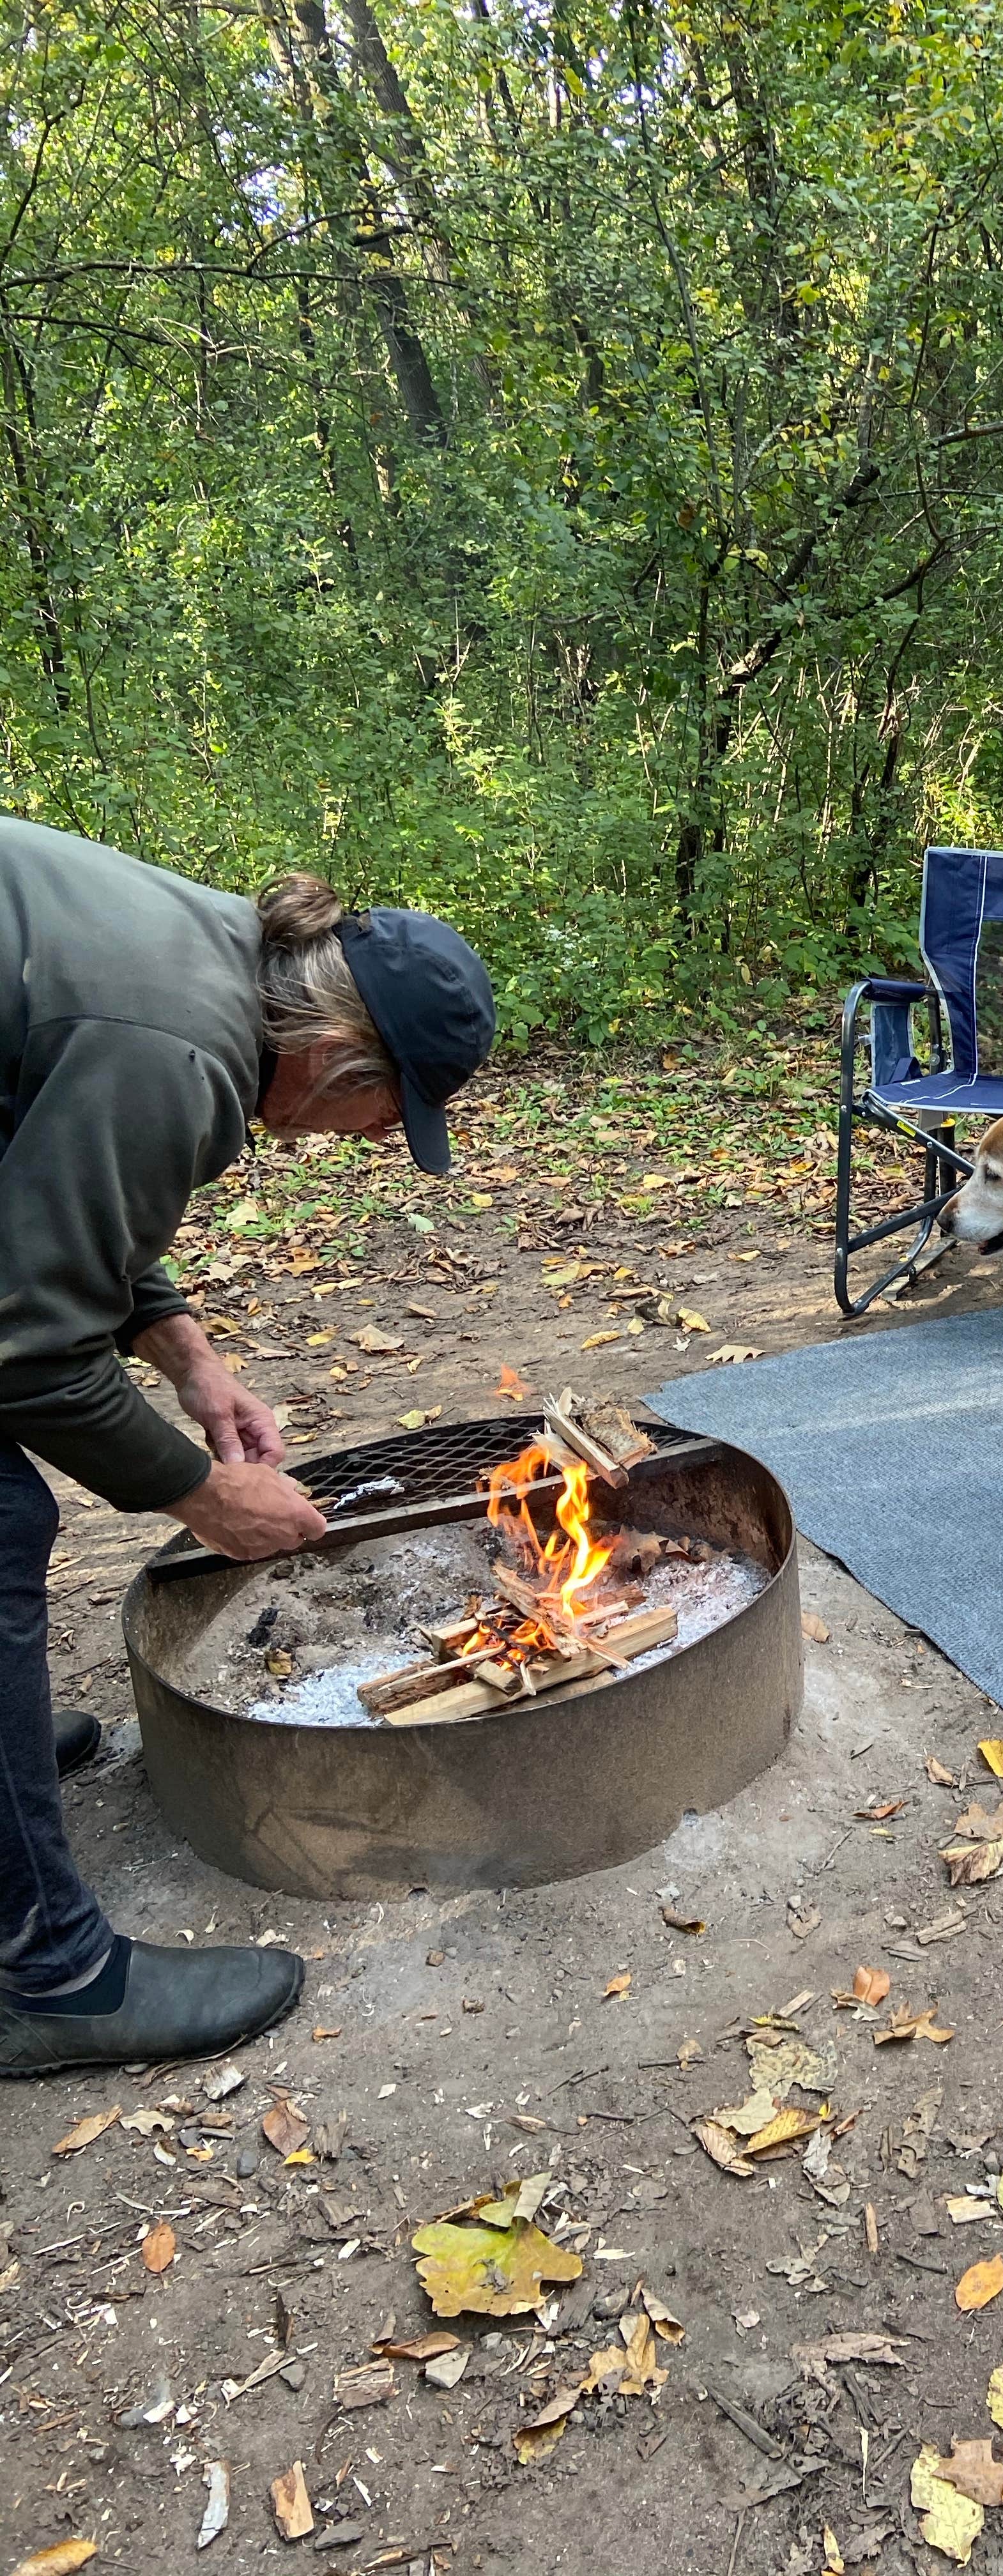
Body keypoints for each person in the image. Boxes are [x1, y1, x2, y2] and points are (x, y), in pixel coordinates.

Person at [0, 819, 494, 2074]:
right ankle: (47, 1979)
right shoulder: (173, 1045)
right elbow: (24, 1350)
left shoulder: (198, 962)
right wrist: (205, 1495)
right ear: (334, 1055)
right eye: (392, 1111)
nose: (383, 1140)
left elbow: (44, 1170)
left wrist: (190, 1358)